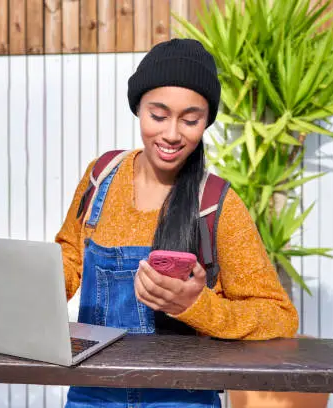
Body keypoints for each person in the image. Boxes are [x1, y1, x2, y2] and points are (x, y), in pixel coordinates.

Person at [55, 38, 299, 408]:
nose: (172, 134)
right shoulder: (101, 175)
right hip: (91, 392)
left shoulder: (216, 204)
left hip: (183, 398)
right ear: (138, 108)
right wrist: (29, 290)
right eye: (158, 115)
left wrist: (196, 305)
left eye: (190, 120)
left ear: (206, 121)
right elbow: (71, 258)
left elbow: (279, 316)